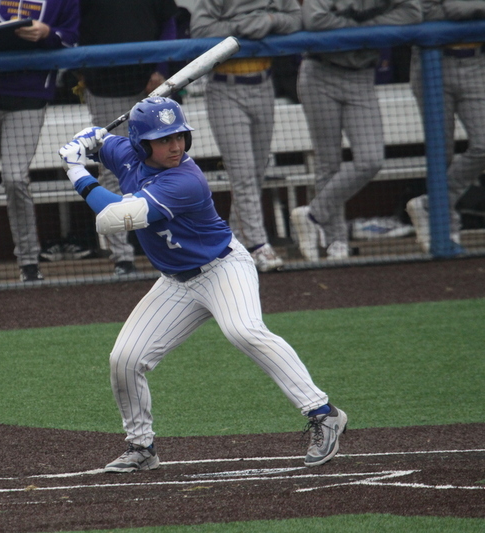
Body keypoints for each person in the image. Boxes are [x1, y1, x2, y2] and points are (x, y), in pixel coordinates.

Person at [57, 97, 347, 472]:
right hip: (176, 282)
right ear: (141, 144)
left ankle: (324, 414)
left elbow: (113, 218)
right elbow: (99, 140)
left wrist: (75, 168)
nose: (175, 146)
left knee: (243, 330)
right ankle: (141, 446)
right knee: (124, 360)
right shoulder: (126, 152)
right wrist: (89, 139)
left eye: (179, 136)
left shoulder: (185, 179)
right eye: (164, 140)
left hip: (223, 269)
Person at [0, 0, 79, 285]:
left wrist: (47, 32)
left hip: (30, 95)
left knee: (15, 178)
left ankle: (29, 261)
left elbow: (71, 39)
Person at [290, 0, 421, 261]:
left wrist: (362, 27)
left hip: (362, 75)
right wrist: (367, 28)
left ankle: (312, 215)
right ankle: (336, 241)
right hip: (320, 72)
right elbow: (315, 19)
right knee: (328, 162)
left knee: (371, 159)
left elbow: (413, 13)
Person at [191, 0, 303, 272]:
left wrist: (270, 20)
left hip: (264, 84)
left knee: (256, 173)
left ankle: (229, 246)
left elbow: (296, 19)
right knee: (243, 174)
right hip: (224, 87)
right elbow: (200, 30)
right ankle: (257, 245)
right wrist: (242, 26)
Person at [77, 0, 179, 276]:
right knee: (112, 168)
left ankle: (170, 249)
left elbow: (168, 22)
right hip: (104, 85)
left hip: (150, 85)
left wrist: (160, 69)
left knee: (162, 166)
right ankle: (122, 256)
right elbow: (73, 24)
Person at [406, 0, 485, 252]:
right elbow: (433, 11)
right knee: (442, 153)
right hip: (433, 62)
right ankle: (447, 227)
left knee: (483, 145)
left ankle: (430, 205)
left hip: (475, 62)